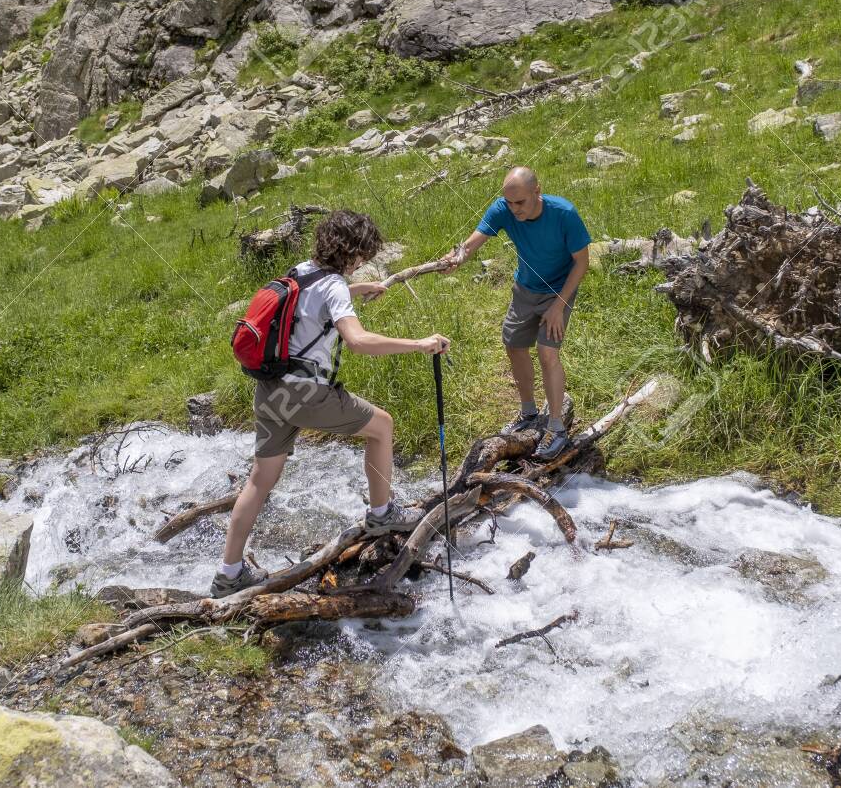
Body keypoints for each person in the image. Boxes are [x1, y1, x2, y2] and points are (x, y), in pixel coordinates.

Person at [212, 209, 450, 597]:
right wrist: (419, 344)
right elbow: (357, 341)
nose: (363, 264)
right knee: (382, 426)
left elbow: (310, 302)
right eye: (364, 256)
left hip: (270, 391)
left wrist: (358, 291)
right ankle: (381, 514)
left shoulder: (300, 270)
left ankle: (229, 573)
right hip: (306, 393)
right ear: (354, 253)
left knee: (259, 481)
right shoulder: (334, 286)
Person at [445, 166, 591, 460]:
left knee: (547, 353)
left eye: (520, 202)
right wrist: (458, 256)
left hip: (559, 289)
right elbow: (473, 241)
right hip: (525, 287)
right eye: (509, 203)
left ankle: (556, 429)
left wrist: (557, 306)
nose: (514, 209)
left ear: (537, 191)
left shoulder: (564, 213)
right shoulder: (504, 209)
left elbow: (582, 263)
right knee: (513, 344)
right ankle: (528, 413)